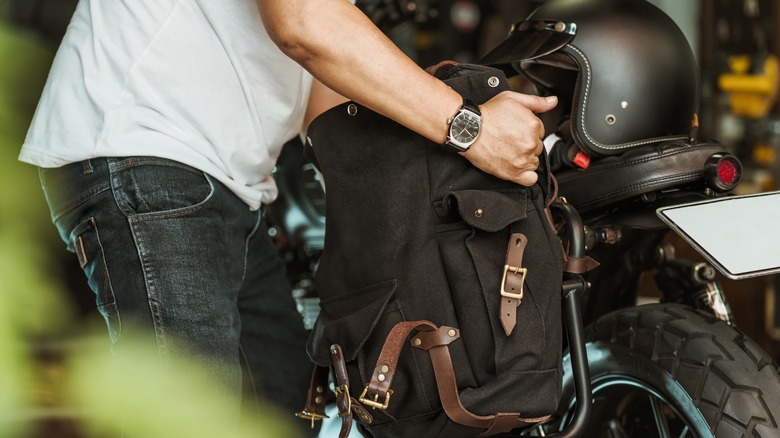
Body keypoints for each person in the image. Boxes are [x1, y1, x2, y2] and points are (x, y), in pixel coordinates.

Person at [19, 0, 556, 433]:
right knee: (191, 417)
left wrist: (461, 154)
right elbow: (304, 22)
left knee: (278, 410)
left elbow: (329, 92)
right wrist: (468, 129)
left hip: (219, 184)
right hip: (146, 155)